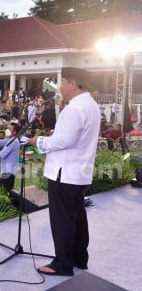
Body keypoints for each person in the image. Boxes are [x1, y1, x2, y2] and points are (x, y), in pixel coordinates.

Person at [27, 67, 100, 277]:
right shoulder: (90, 105)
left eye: (63, 82)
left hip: (64, 172)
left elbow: (64, 141)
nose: (60, 87)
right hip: (78, 171)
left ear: (73, 84)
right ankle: (79, 258)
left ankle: (63, 264)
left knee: (63, 219)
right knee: (77, 216)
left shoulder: (74, 108)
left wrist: (38, 140)